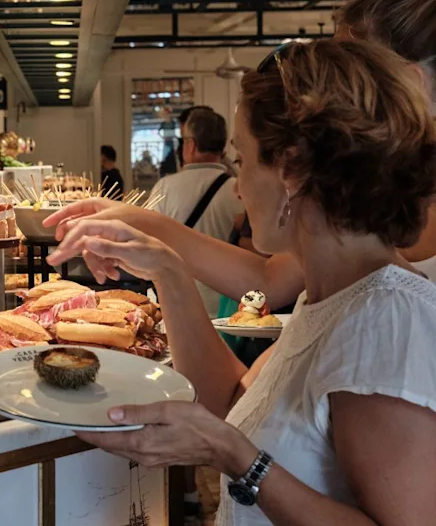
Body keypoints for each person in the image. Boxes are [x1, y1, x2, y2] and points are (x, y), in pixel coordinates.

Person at [50, 38, 436, 525]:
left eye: (244, 159)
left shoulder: (385, 319)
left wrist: (237, 459)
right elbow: (232, 401)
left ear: (291, 169)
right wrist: (168, 272)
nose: (238, 183)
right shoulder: (330, 300)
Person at [41, 0, 436, 312]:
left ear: (411, 82)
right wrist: (140, 226)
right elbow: (267, 282)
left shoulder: (390, 298)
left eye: (345, 68)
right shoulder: (350, 216)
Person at [150, 108, 244, 316]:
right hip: (228, 307)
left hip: (177, 303)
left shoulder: (165, 187)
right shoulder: (238, 189)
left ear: (190, 145)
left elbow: (147, 240)